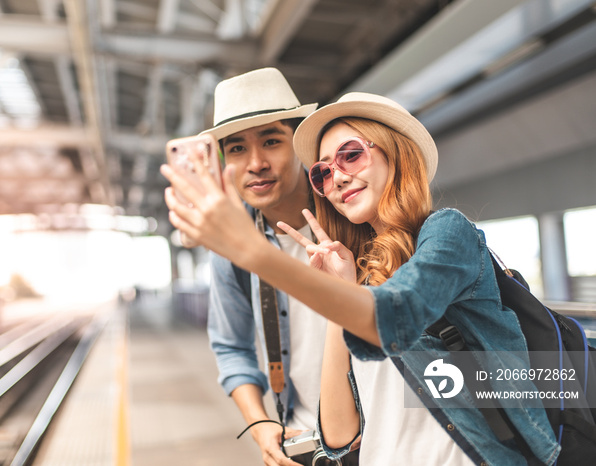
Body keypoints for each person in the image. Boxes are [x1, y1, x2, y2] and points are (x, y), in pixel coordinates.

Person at [161, 92, 560, 465]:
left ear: (396, 155)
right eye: (323, 171)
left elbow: (395, 316)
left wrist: (256, 254)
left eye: (351, 156)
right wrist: (342, 289)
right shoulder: (361, 271)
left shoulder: (448, 233)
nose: (336, 178)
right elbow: (337, 436)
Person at [195, 68, 357, 466]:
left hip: (383, 438)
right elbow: (231, 346)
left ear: (301, 145)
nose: (255, 163)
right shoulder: (230, 250)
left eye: (271, 141)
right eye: (236, 149)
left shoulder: (356, 217)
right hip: (305, 445)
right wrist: (259, 423)